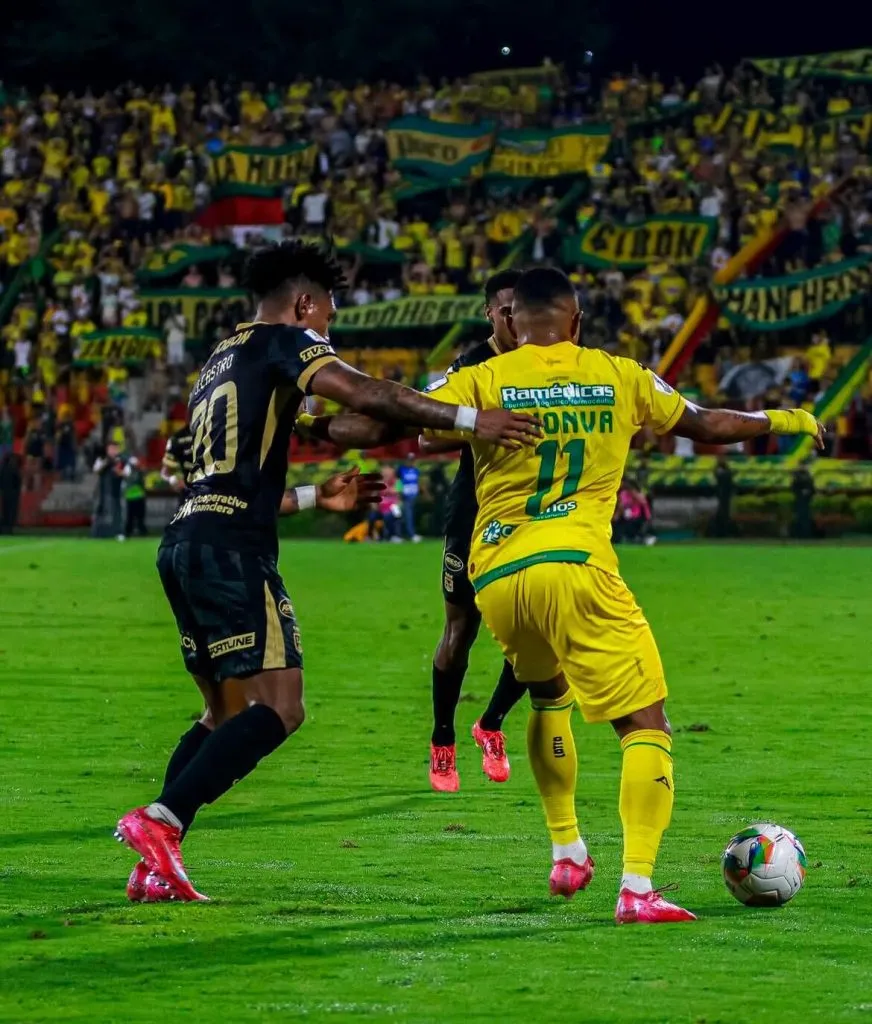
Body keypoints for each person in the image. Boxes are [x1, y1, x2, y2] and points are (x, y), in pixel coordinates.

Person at [114, 240, 537, 902]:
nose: (331, 321)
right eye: (330, 308)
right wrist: (468, 417)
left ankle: (155, 863)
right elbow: (362, 392)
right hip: (234, 551)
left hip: (184, 543)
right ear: (304, 302)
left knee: (221, 713)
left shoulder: (221, 362)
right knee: (281, 709)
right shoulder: (287, 341)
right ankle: (161, 821)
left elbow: (300, 438)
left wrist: (324, 495)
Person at [422, 267, 823, 924]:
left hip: (494, 574)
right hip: (576, 565)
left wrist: (314, 420)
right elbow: (706, 423)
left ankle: (568, 850)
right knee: (646, 727)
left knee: (550, 694)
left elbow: (397, 413)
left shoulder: (478, 377)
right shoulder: (620, 374)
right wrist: (784, 417)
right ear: (575, 321)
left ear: (512, 323)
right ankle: (637, 889)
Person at [419, 271, 529, 792]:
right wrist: (482, 424)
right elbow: (424, 434)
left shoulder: (547, 363)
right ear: (490, 313)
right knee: (460, 630)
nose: (513, 318)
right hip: (474, 509)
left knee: (535, 636)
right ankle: (443, 741)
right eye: (504, 310)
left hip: (533, 514)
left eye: (520, 309)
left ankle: (490, 724)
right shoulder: (469, 365)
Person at [396, 453, 421, 542]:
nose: (411, 462)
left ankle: (401, 534)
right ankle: (411, 534)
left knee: (407, 516)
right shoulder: (401, 470)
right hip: (405, 496)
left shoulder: (416, 470)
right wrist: (399, 494)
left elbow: (417, 482)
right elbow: (398, 482)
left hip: (414, 496)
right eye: (409, 460)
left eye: (412, 460)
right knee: (408, 515)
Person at [122, 454, 148, 537]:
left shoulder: (139, 472)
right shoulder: (129, 471)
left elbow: (142, 483)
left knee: (139, 516)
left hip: (139, 496)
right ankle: (129, 531)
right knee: (131, 516)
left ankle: (141, 531)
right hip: (131, 496)